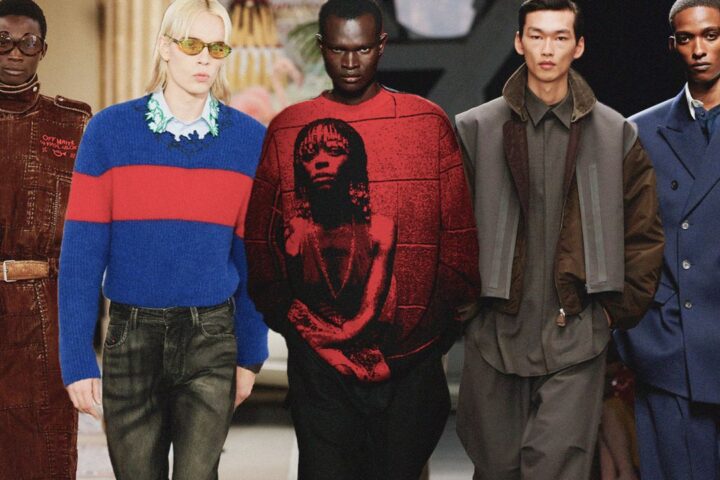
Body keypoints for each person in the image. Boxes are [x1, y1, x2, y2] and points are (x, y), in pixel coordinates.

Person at [244, 0, 481, 478]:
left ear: (382, 45)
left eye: (362, 49)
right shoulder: (287, 129)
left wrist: (434, 331)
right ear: (321, 47)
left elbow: (458, 233)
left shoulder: (426, 123)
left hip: (411, 366)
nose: (350, 62)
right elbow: (261, 242)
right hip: (320, 372)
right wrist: (299, 330)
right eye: (338, 50)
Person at [454, 1, 664, 478]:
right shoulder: (475, 129)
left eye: (560, 36)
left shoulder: (616, 134)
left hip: (576, 339)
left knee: (555, 470)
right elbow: (450, 231)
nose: (547, 49)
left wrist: (611, 313)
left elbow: (644, 233)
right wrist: (466, 312)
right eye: (537, 35)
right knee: (496, 469)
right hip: (494, 335)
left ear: (579, 46)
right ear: (518, 42)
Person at [58, 0, 268, 478]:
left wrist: (251, 354)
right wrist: (76, 358)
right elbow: (81, 255)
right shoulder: (108, 132)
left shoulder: (249, 140)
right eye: (192, 44)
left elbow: (252, 256)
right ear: (164, 48)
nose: (204, 59)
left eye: (217, 48)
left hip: (211, 337)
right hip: (131, 336)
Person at [614, 1, 720, 478]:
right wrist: (636, 331)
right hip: (673, 348)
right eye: (686, 38)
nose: (699, 49)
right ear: (672, 45)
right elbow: (621, 238)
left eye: (711, 35)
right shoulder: (641, 131)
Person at [0, 0, 91, 478]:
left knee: (44, 448)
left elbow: (94, 232)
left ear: (43, 49)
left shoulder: (73, 125)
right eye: (2, 41)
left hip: (44, 312)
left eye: (27, 42)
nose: (15, 52)